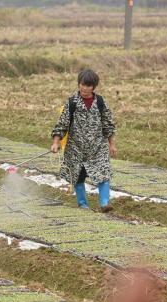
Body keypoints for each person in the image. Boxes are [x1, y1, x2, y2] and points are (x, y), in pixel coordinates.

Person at [51, 69, 117, 212]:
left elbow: (108, 124)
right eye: (82, 84)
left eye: (88, 86)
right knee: (78, 177)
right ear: (79, 84)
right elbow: (62, 124)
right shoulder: (72, 103)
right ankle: (83, 204)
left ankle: (105, 203)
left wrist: (112, 144)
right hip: (76, 149)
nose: (85, 88)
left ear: (94, 87)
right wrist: (56, 142)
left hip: (97, 147)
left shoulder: (100, 102)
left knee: (103, 173)